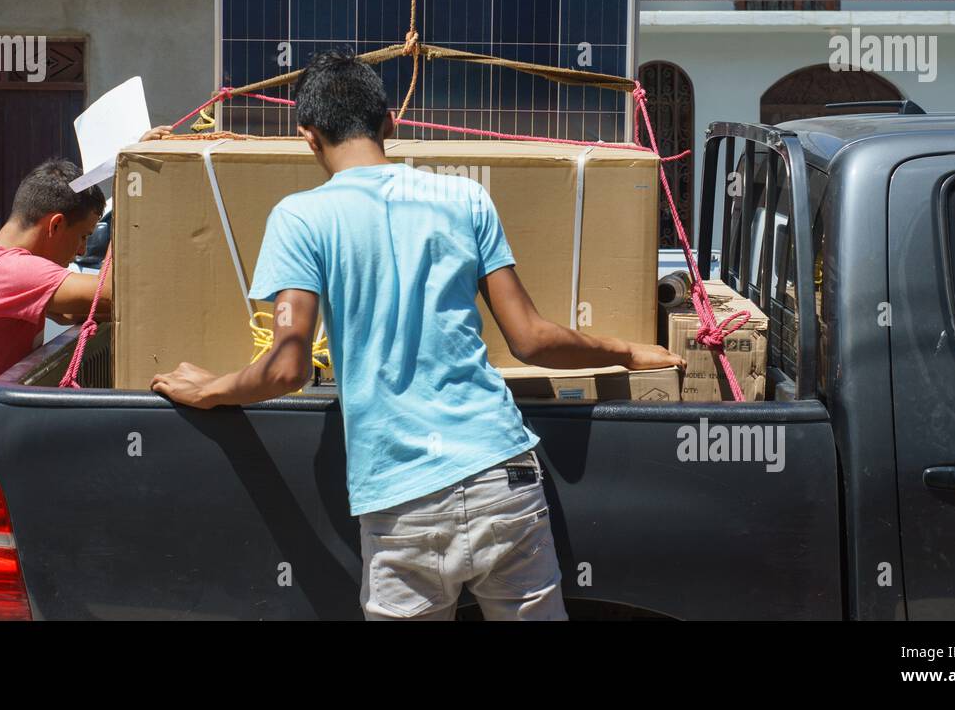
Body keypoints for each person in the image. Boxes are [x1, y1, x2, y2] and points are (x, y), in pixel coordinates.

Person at [150, 52, 684, 620]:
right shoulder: (465, 199)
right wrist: (628, 352)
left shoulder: (300, 218)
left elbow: (287, 368)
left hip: (404, 500)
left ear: (308, 135)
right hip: (504, 476)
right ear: (389, 121)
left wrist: (208, 390)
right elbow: (531, 339)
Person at [0, 129, 170, 621]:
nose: (81, 249)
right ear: (52, 225)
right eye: (83, 236)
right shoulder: (9, 272)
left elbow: (68, 312)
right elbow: (116, 294)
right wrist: (140, 191)